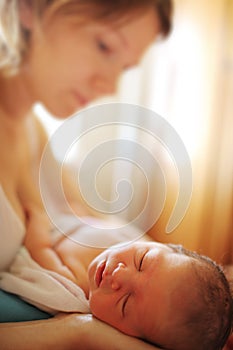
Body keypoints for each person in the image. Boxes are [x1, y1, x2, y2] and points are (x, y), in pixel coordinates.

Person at [0, 0, 174, 349]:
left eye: (124, 67)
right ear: (29, 8)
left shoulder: (31, 131)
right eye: (105, 46)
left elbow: (88, 217)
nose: (109, 85)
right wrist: (77, 333)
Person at [1, 205, 233, 350]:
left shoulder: (74, 287)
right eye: (142, 261)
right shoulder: (139, 242)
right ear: (167, 245)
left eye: (125, 303)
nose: (119, 275)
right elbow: (84, 213)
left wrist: (37, 217)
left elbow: (39, 248)